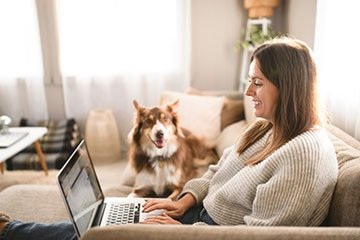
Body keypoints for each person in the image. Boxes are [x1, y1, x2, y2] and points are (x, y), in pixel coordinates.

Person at [0, 36, 338, 239]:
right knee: (104, 219)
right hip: (198, 217)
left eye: (258, 82)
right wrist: (184, 202)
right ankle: (13, 230)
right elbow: (216, 173)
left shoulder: (303, 155)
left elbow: (256, 236)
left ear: (289, 86)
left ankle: (11, 231)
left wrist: (184, 232)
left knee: (103, 233)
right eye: (249, 80)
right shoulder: (269, 128)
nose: (248, 91)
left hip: (206, 232)